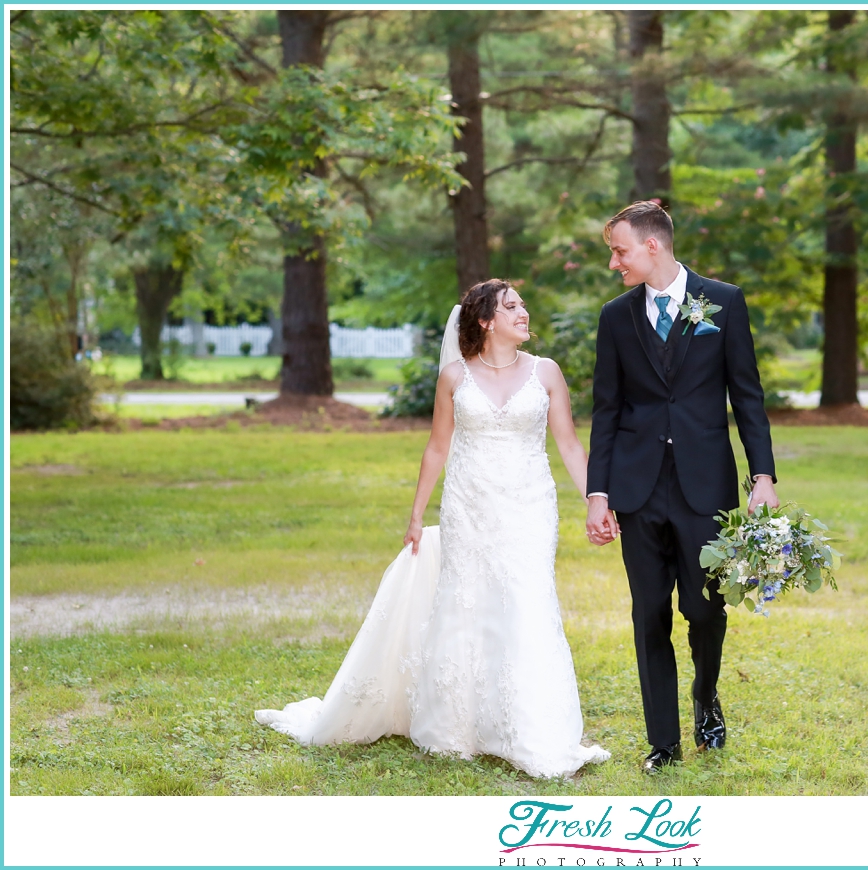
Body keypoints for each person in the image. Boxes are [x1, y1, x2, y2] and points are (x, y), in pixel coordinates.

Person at [256, 279, 610, 779]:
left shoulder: (546, 373)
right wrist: (417, 515)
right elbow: (437, 448)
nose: (524, 312)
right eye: (512, 306)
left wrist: (597, 499)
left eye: (524, 304)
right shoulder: (454, 377)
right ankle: (456, 727)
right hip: (468, 506)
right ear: (486, 321)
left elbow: (571, 445)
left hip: (530, 506)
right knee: (466, 603)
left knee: (528, 601)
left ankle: (531, 730)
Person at [585, 200, 778, 773]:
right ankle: (662, 740)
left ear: (652, 246)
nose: (615, 263)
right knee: (649, 613)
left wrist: (761, 477)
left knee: (705, 609)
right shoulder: (615, 317)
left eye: (619, 251)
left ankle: (706, 697)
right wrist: (599, 492)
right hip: (637, 489)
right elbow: (607, 410)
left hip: (705, 486)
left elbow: (748, 397)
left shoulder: (724, 301)